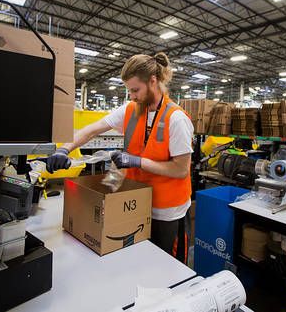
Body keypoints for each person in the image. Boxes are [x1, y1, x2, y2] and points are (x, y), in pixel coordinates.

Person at [46, 52, 193, 263]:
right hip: (136, 204)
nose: (131, 96)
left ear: (153, 82)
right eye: (129, 90)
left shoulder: (176, 119)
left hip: (167, 212)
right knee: (139, 262)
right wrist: (64, 149)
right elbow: (92, 130)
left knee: (167, 267)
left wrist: (137, 162)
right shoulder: (130, 110)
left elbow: (181, 169)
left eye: (135, 90)